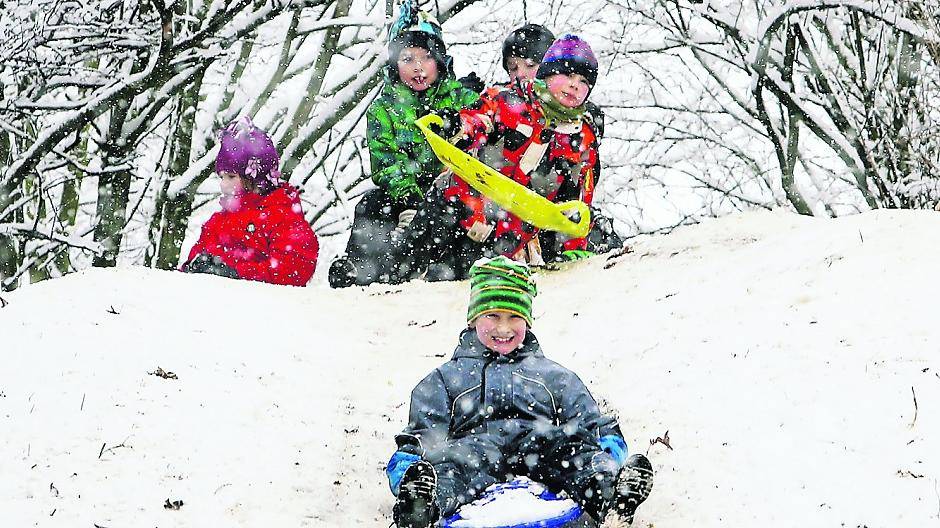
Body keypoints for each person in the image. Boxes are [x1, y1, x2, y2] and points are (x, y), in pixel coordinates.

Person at [385, 256, 653, 528]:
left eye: (514, 317)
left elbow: (592, 427)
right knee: (449, 466)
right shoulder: (445, 379)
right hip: (473, 452)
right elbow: (421, 439)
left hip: (539, 447)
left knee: (570, 450)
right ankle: (422, 507)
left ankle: (610, 497)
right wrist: (408, 475)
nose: (503, 328)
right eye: (492, 315)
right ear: (473, 319)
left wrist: (608, 458)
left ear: (527, 321)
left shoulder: (554, 377)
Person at [392, 34, 609, 281]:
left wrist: (574, 248)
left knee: (464, 277)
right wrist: (455, 127)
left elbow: (577, 202)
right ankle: (395, 276)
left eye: (584, 81)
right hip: (461, 200)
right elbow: (478, 119)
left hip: (510, 230)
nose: (575, 85)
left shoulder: (581, 139)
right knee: (414, 256)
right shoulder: (509, 101)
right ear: (547, 74)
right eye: (568, 75)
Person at [328, 7, 479, 288]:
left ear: (440, 61)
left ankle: (451, 270)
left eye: (427, 57)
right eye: (408, 59)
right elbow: (385, 160)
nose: (418, 67)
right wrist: (409, 197)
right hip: (404, 190)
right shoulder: (384, 108)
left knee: (456, 213)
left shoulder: (459, 97)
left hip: (451, 189)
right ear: (395, 65)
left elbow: (485, 126)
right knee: (373, 204)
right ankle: (362, 269)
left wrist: (471, 108)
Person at [181, 117, 318, 287]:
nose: (223, 184)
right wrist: (194, 268)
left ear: (255, 178)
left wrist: (236, 274)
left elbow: (292, 271)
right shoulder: (218, 222)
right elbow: (192, 264)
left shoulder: (283, 218)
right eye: (222, 177)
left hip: (260, 302)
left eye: (231, 176)